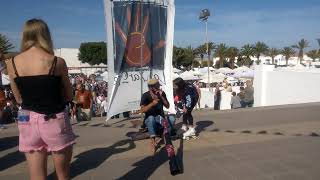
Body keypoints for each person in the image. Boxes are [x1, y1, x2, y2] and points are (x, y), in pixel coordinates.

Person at [6, 19, 75, 180]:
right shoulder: (57, 62)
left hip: (27, 119)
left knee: (36, 176)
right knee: (63, 175)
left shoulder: (12, 63)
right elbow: (69, 95)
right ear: (46, 35)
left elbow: (17, 98)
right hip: (54, 118)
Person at [140, 79, 174, 153]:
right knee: (151, 118)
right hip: (149, 120)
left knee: (172, 118)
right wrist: (152, 104)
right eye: (157, 86)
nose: (159, 87)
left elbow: (168, 106)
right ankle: (153, 142)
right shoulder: (145, 95)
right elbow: (142, 110)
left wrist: (162, 97)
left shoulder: (161, 93)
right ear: (152, 88)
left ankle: (164, 135)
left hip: (160, 119)